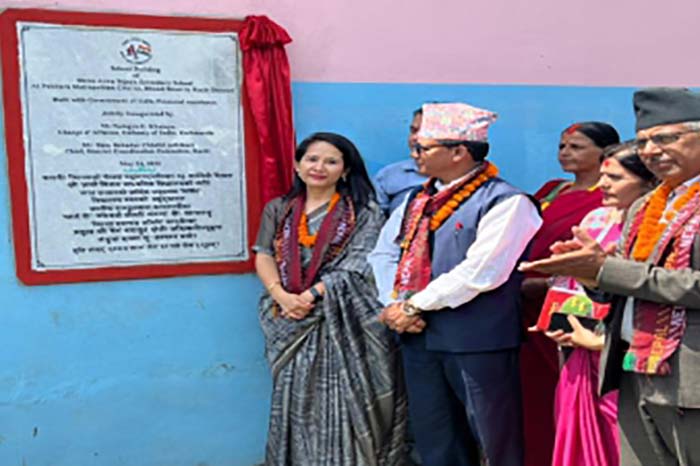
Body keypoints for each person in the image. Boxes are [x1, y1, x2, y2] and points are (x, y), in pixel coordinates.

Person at [520, 87, 700, 466]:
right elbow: (618, 286)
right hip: (633, 373)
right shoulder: (645, 207)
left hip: (690, 380)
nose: (652, 150)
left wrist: (607, 270)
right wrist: (588, 272)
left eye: (666, 138)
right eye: (646, 140)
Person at [369, 102, 542, 466]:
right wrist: (395, 303)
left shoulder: (508, 202)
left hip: (477, 341)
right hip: (419, 337)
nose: (414, 152)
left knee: (493, 437)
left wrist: (414, 305)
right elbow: (384, 255)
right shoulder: (419, 199)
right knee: (436, 439)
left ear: (459, 152)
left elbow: (482, 271)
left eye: (424, 147)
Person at [253, 132, 408, 466]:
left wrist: (308, 296)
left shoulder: (364, 213)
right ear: (297, 165)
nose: (319, 167)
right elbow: (264, 254)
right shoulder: (278, 209)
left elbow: (359, 265)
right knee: (296, 399)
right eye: (311, 159)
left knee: (347, 401)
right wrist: (281, 295)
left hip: (344, 320)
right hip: (290, 319)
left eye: (331, 161)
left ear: (346, 170)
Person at [542, 142, 657, 466]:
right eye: (604, 175)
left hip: (622, 351)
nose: (603, 184)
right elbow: (576, 284)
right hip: (579, 344)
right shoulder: (596, 218)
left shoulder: (657, 228)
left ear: (648, 182)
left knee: (621, 437)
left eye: (616, 178)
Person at [520, 121, 620, 466]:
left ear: (605, 154)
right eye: (563, 146)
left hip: (577, 307)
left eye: (576, 146)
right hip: (529, 309)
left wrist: (550, 282)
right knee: (535, 395)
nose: (565, 153)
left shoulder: (611, 205)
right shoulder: (551, 190)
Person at [373, 108, 428, 216]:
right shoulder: (388, 175)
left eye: (425, 132)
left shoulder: (466, 176)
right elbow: (373, 222)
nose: (414, 138)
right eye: (413, 131)